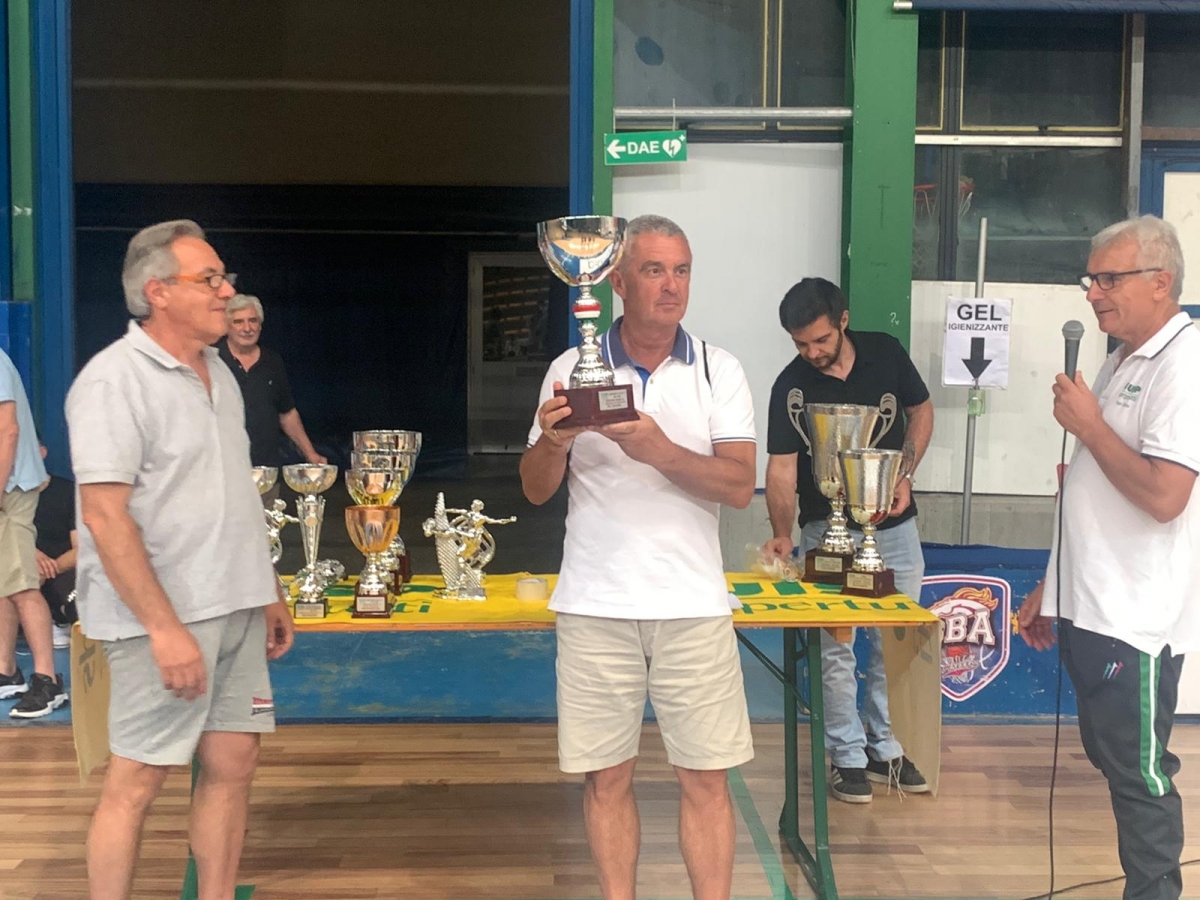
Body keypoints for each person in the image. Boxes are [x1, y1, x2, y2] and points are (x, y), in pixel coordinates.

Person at [520, 214, 756, 900]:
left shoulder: (718, 368)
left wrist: (658, 450)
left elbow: (738, 486)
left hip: (693, 605)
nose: (671, 285)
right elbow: (535, 490)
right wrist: (554, 441)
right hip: (596, 603)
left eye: (681, 270)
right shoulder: (569, 368)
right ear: (616, 283)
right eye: (654, 270)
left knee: (706, 780)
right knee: (606, 779)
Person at [66, 219, 295, 900]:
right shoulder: (113, 382)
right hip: (162, 618)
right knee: (137, 777)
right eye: (211, 279)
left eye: (226, 277)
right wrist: (164, 630)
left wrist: (267, 588)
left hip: (236, 602)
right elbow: (104, 516)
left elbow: (235, 492)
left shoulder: (219, 371)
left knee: (234, 759)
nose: (227, 291)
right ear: (158, 292)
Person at [1018, 215, 1199, 900]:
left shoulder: (1184, 365)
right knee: (1113, 757)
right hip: (1088, 603)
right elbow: (1091, 489)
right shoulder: (1122, 358)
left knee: (1139, 772)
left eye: (1109, 279)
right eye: (1089, 280)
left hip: (1135, 615)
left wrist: (1090, 426)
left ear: (1161, 282)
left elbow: (1164, 496)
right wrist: (1052, 585)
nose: (1093, 293)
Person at [761, 277, 934, 804]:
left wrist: (904, 474)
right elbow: (782, 468)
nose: (811, 353)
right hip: (825, 530)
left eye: (820, 340)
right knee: (836, 650)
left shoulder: (886, 352)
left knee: (894, 643)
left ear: (843, 320)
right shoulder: (790, 386)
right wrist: (781, 533)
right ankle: (847, 754)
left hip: (895, 529)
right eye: (800, 344)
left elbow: (921, 410)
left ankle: (886, 746)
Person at [0, 350, 66, 719]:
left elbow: (8, 430)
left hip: (10, 487)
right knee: (4, 583)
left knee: (23, 585)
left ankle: (48, 680)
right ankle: (6, 670)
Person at [217, 293, 325, 505]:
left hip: (266, 473)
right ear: (226, 326)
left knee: (267, 527)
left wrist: (310, 454)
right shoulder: (213, 360)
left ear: (260, 325)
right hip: (221, 473)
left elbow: (287, 413)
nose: (247, 328)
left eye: (252, 320)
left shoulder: (272, 361)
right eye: (238, 322)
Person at [33, 444, 78, 648]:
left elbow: (81, 549)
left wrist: (49, 569)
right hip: (22, 568)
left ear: (42, 451)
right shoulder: (9, 496)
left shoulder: (68, 491)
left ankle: (61, 619)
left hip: (63, 569)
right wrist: (30, 554)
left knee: (77, 603)